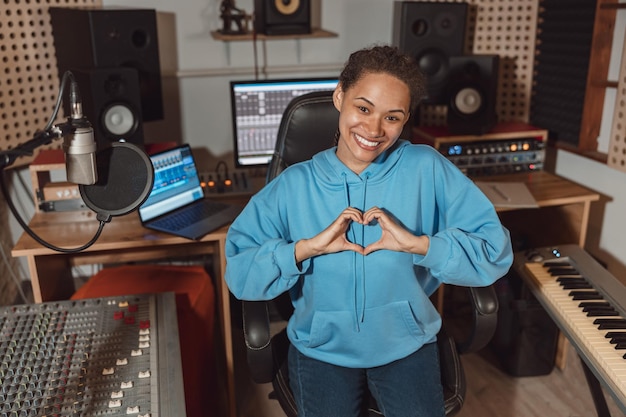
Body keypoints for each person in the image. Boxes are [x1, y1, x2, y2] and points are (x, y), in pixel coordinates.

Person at [225, 44, 513, 417]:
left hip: (406, 343)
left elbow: (495, 250)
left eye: (392, 117)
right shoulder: (293, 184)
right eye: (363, 108)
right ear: (339, 96)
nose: (374, 129)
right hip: (321, 348)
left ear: (406, 118)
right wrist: (303, 250)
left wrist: (423, 246)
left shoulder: (426, 168)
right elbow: (240, 272)